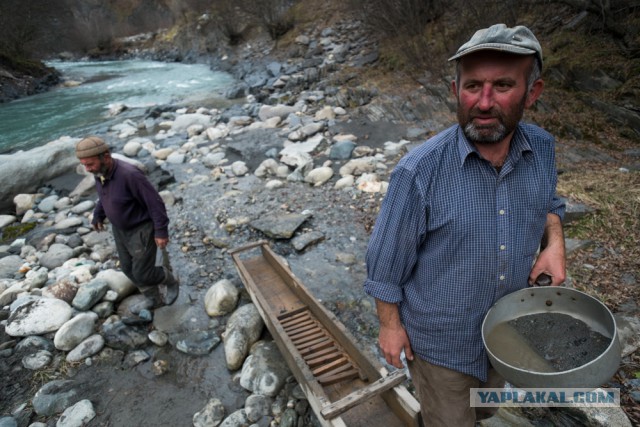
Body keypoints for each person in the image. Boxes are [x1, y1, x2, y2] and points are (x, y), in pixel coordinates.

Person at [364, 24, 566, 426]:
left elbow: (550, 204)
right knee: (449, 420)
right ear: (456, 90)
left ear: (533, 92)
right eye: (473, 86)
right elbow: (384, 264)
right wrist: (390, 327)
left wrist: (554, 243)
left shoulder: (541, 148)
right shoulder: (418, 172)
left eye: (503, 85)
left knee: (485, 409)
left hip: (507, 332)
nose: (484, 102)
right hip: (442, 347)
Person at [75, 136, 179, 311]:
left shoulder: (130, 175)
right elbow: (104, 196)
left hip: (141, 229)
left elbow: (155, 203)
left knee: (143, 273)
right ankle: (154, 298)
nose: (88, 169)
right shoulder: (100, 172)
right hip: (120, 229)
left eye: (90, 164)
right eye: (84, 165)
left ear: (105, 157)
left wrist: (161, 231)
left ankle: (170, 279)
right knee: (127, 268)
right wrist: (98, 215)